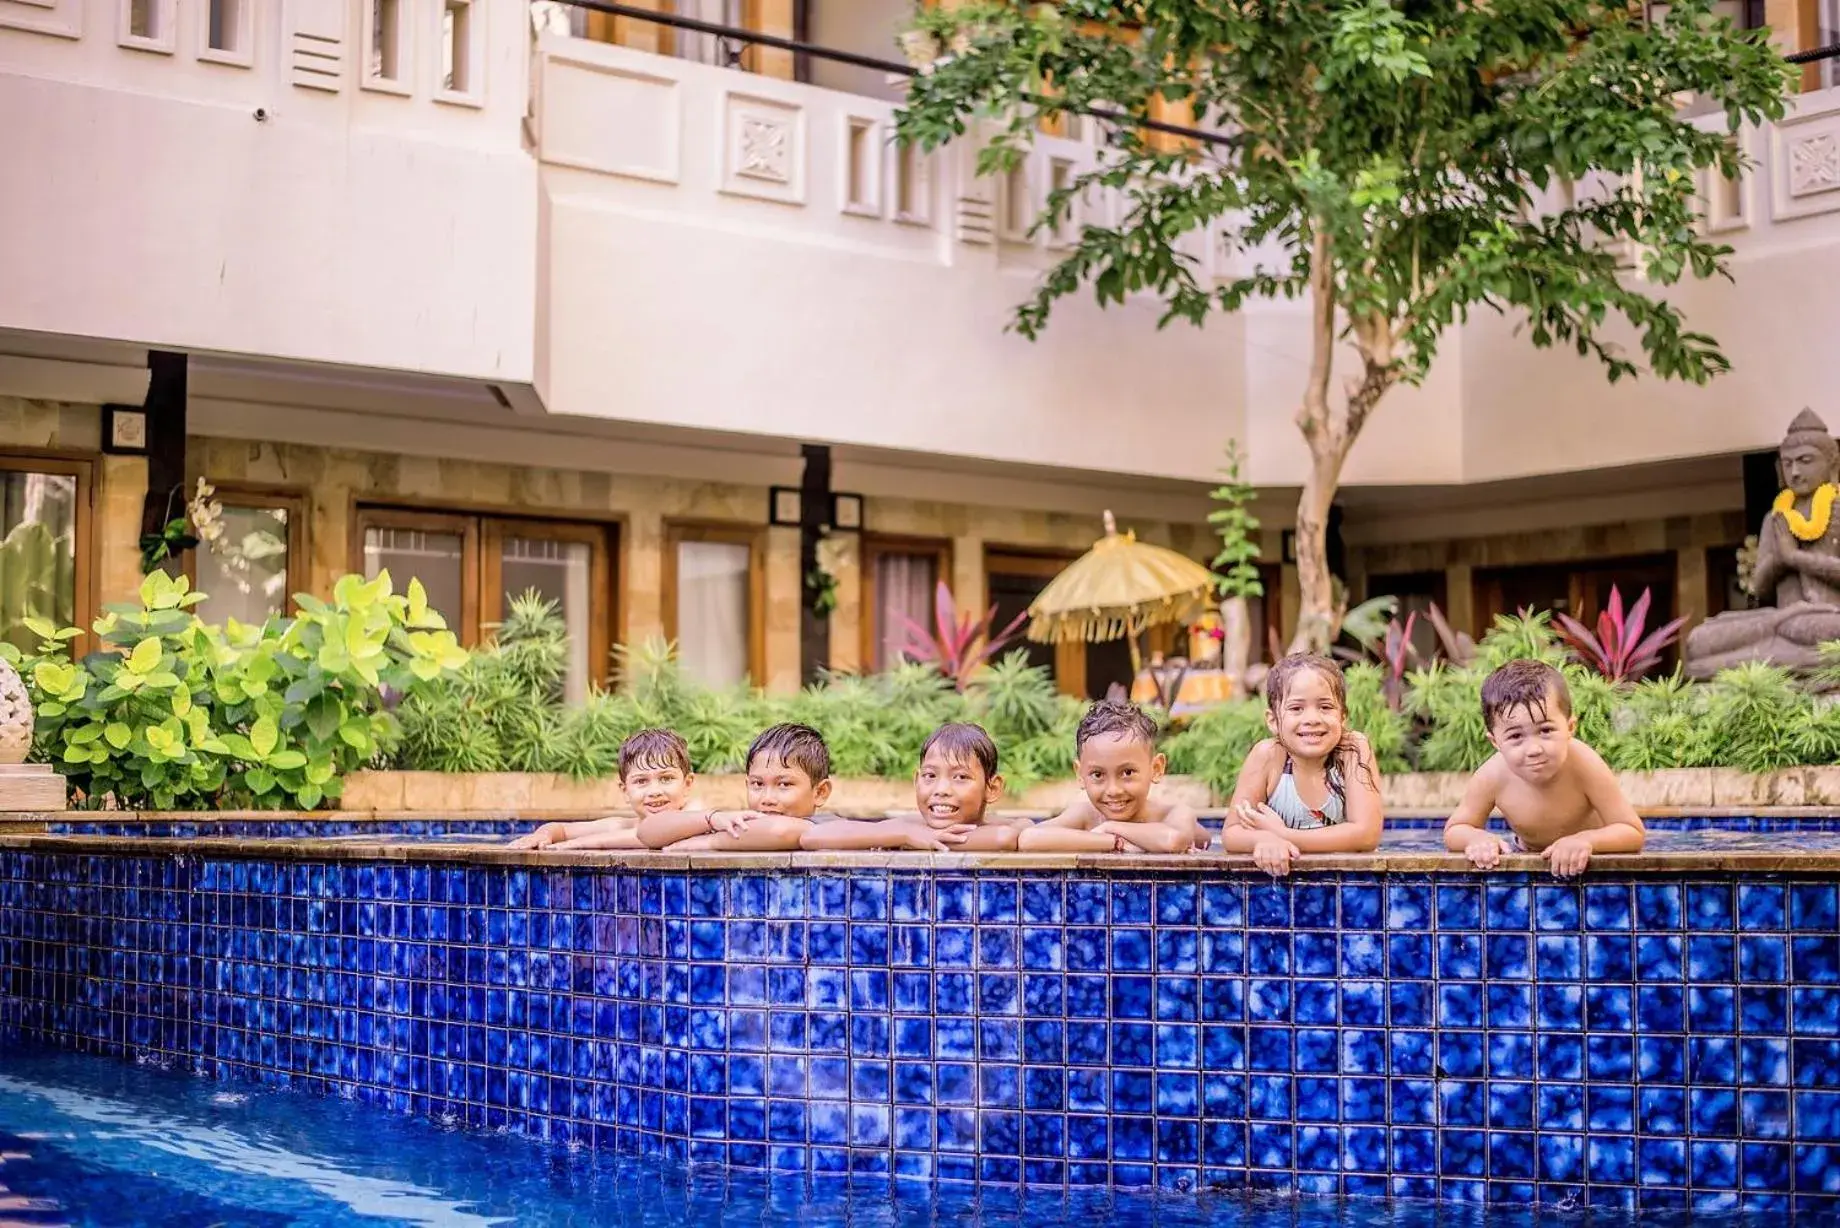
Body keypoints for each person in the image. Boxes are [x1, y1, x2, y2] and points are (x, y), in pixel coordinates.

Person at [1443, 659, 1646, 876]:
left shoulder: (1584, 765)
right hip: (1526, 851)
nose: (1534, 749)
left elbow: (1632, 831)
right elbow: (1455, 829)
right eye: (1516, 736)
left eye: (1546, 730)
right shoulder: (1492, 775)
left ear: (1570, 728)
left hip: (1588, 859)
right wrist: (1477, 839)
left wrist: (1585, 841)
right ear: (1495, 742)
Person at [1221, 653, 1384, 876]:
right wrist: (1264, 839)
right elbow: (1232, 833)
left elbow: (1366, 834)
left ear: (1343, 716)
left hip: (1347, 887)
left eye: (1325, 707)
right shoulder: (1268, 756)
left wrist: (1283, 835)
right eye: (1296, 708)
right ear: (1273, 721)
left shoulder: (1353, 750)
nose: (1312, 718)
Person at [801, 722, 1028, 852]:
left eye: (960, 777)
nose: (941, 789)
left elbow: (1006, 836)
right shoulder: (908, 827)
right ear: (916, 780)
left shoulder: (1002, 827)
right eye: (930, 775)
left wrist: (926, 839)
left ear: (993, 788)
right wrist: (904, 835)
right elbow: (814, 836)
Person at [1018, 699, 1206, 854]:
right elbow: (1029, 838)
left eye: (1127, 773)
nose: (1113, 790)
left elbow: (1173, 841)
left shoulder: (1173, 813)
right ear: (1080, 774)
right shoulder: (1086, 814)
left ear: (1156, 768)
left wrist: (1110, 827)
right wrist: (1113, 842)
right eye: (1098, 774)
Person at [637, 722, 829, 851]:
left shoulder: (827, 825)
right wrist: (711, 818)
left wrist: (710, 841)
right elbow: (647, 832)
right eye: (757, 784)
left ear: (820, 792)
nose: (767, 798)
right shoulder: (737, 824)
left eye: (784, 784)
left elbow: (780, 831)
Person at [507, 728, 696, 850]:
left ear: (687, 784)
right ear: (625, 791)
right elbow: (562, 830)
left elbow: (651, 836)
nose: (654, 791)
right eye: (641, 781)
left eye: (666, 778)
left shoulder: (695, 817)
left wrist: (585, 843)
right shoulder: (620, 826)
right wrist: (542, 835)